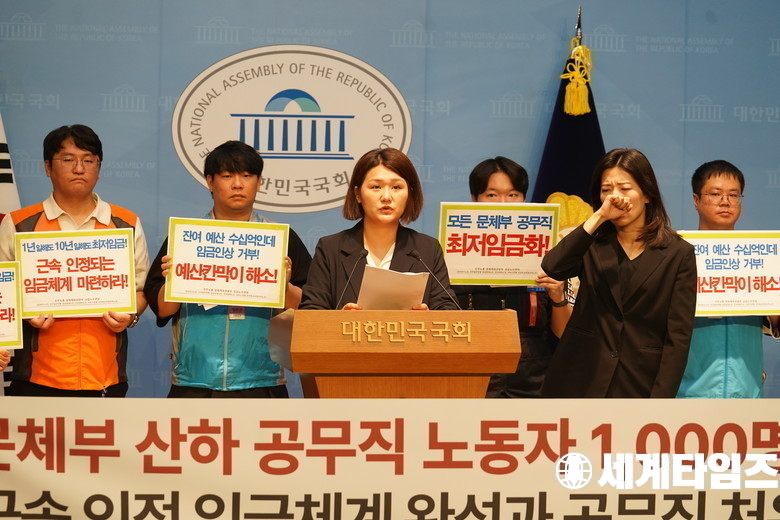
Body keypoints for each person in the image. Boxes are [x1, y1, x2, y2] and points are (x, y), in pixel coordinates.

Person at [143, 140, 311, 398]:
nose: (237, 184)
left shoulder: (281, 240)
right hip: (194, 380)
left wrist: (284, 286)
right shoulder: (186, 239)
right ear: (210, 182)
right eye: (227, 176)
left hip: (262, 379)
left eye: (247, 176)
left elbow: (308, 310)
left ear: (259, 182)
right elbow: (163, 309)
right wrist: (175, 280)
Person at [0, 124, 149, 397]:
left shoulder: (125, 223)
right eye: (68, 159)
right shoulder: (20, 224)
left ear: (98, 169)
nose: (79, 168)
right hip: (36, 376)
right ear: (48, 167)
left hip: (105, 375)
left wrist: (130, 315)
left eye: (89, 160)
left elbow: (141, 290)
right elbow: (3, 293)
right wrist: (25, 311)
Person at [540, 148, 697, 398]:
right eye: (606, 190)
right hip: (579, 378)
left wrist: (660, 402)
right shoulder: (590, 243)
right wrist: (599, 216)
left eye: (625, 188)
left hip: (639, 381)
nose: (615, 197)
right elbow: (553, 267)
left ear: (647, 194)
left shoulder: (678, 253)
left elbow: (678, 338)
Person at [453, 157, 571, 397]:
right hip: (471, 375)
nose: (503, 203)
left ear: (524, 199)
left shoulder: (548, 254)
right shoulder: (451, 253)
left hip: (532, 380)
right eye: (491, 195)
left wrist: (558, 296)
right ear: (474, 199)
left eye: (513, 195)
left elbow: (563, 333)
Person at [300, 148, 457, 311]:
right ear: (357, 194)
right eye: (376, 187)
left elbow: (447, 309)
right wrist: (340, 319)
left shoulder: (427, 250)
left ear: (410, 193)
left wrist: (428, 317)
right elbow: (311, 310)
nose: (386, 197)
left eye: (396, 187)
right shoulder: (331, 248)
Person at [677, 160, 780, 398]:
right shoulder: (675, 256)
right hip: (688, 396)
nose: (725, 201)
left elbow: (776, 323)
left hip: (746, 394)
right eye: (715, 194)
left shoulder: (762, 258)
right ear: (696, 200)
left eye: (733, 195)